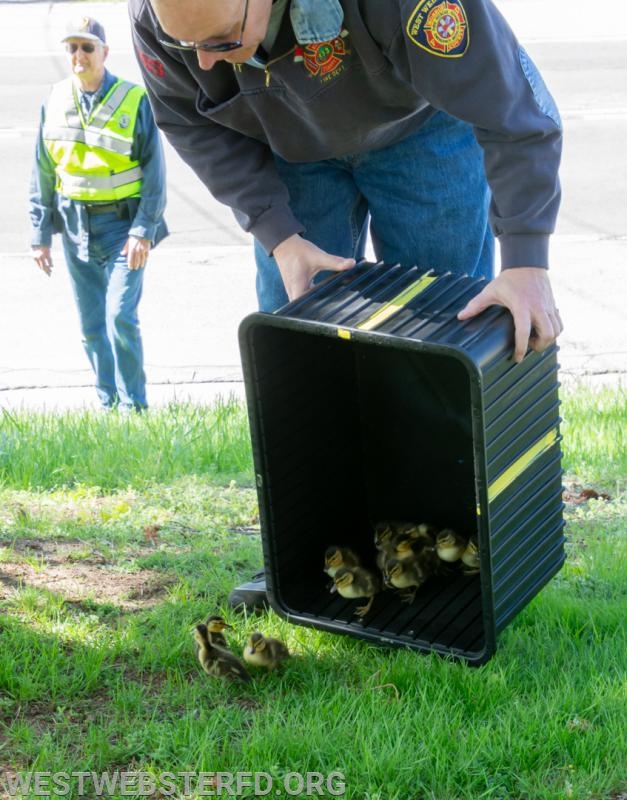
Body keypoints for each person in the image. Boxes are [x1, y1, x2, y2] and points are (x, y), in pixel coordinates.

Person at [128, 0, 564, 607]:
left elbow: (515, 109)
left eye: (223, 40)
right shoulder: (163, 21)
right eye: (188, 47)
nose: (203, 61)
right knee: (299, 360)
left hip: (422, 129)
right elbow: (185, 120)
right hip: (287, 150)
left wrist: (525, 259)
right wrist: (277, 233)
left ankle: (443, 552)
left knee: (440, 349)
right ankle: (313, 555)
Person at [30, 16, 168, 412]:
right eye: (72, 47)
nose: (79, 55)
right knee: (92, 328)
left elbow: (155, 174)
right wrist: (40, 236)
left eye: (87, 47)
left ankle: (134, 409)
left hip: (122, 228)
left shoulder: (133, 99)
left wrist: (143, 230)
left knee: (120, 317)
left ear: (105, 52)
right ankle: (108, 406)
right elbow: (41, 171)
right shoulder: (54, 99)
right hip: (74, 228)